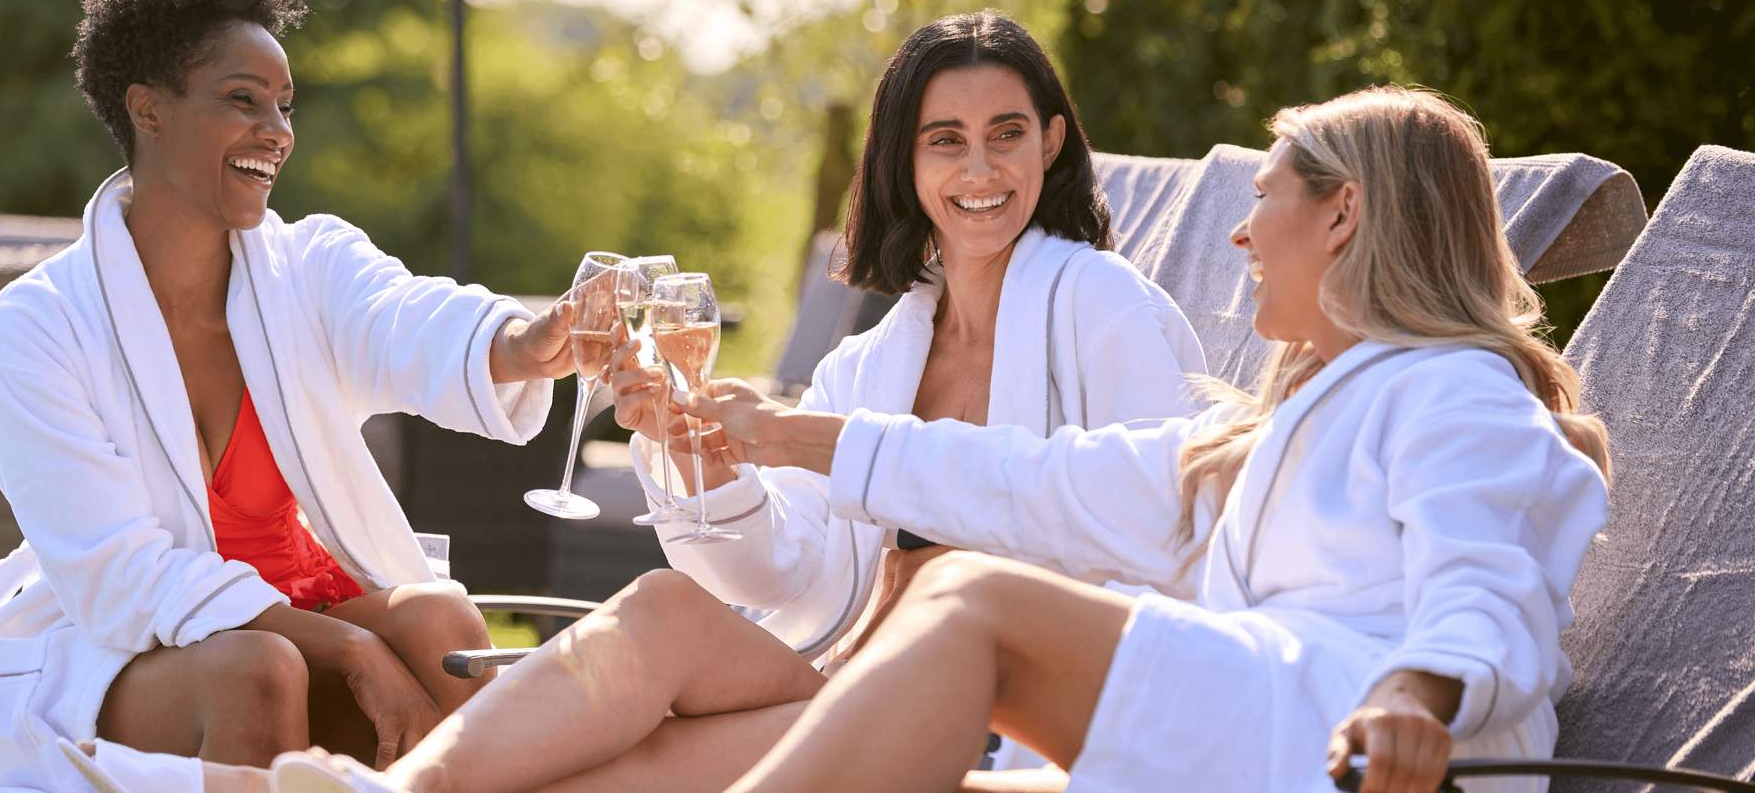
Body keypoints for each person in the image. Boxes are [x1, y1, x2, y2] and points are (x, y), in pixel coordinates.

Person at [175, 9, 1206, 793]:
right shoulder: (877, 359)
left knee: (623, 768)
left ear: (1052, 144)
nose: (979, 168)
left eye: (1005, 134)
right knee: (665, 612)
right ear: (905, 159)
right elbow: (783, 575)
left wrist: (801, 438)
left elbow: (1164, 519)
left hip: (995, 721)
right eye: (946, 139)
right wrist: (704, 461)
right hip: (848, 675)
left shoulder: (1107, 310)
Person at [677, 86, 1612, 793]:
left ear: (1343, 212)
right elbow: (1037, 478)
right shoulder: (1277, 432)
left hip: (1359, 742)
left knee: (970, 595)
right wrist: (788, 434)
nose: (1241, 234)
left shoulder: (1457, 389)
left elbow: (1489, 588)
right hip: (1270, 729)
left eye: (1265, 196)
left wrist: (1414, 693)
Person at [0, 0, 576, 791]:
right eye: (243, 100)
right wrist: (350, 647)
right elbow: (121, 580)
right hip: (128, 652)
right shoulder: (36, 326)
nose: (277, 132)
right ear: (148, 110)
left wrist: (526, 342)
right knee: (260, 669)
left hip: (306, 607)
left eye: (285, 106)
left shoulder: (307, 267)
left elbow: (406, 317)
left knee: (440, 622)